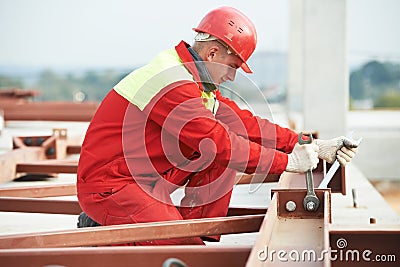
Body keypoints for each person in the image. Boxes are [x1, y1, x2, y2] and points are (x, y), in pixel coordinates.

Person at [76, 6, 358, 245]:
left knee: (221, 159)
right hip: (112, 186)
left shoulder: (194, 80)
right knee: (179, 250)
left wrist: (308, 143)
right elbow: (218, 142)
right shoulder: (172, 83)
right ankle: (167, 238)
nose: (233, 77)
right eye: (233, 67)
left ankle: (197, 234)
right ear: (212, 54)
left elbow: (244, 124)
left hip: (141, 179)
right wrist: (287, 162)